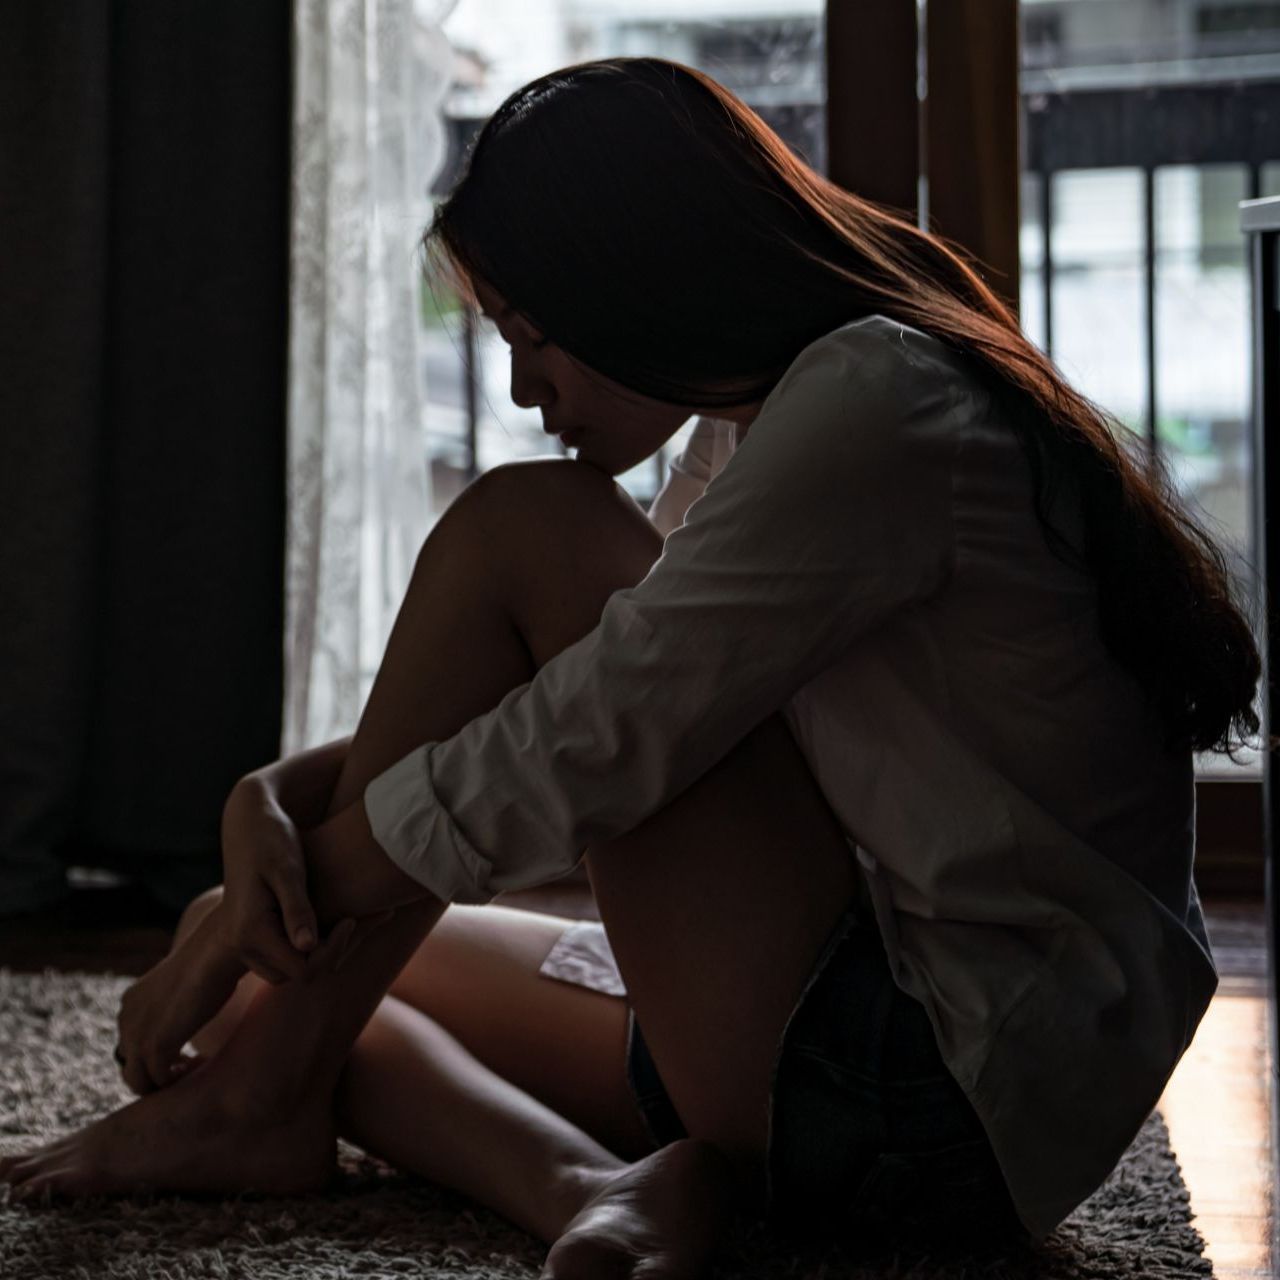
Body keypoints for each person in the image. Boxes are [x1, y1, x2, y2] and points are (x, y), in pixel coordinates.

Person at [0, 55, 1261, 1278]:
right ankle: (581, 1186)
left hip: (928, 1089)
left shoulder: (873, 403)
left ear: (639, 276)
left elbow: (592, 731)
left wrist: (266, 907)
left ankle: (262, 1099)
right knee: (273, 991)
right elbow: (572, 693)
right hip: (870, 1040)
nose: (518, 387)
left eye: (534, 335)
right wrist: (270, 810)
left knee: (520, 529)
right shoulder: (767, 414)